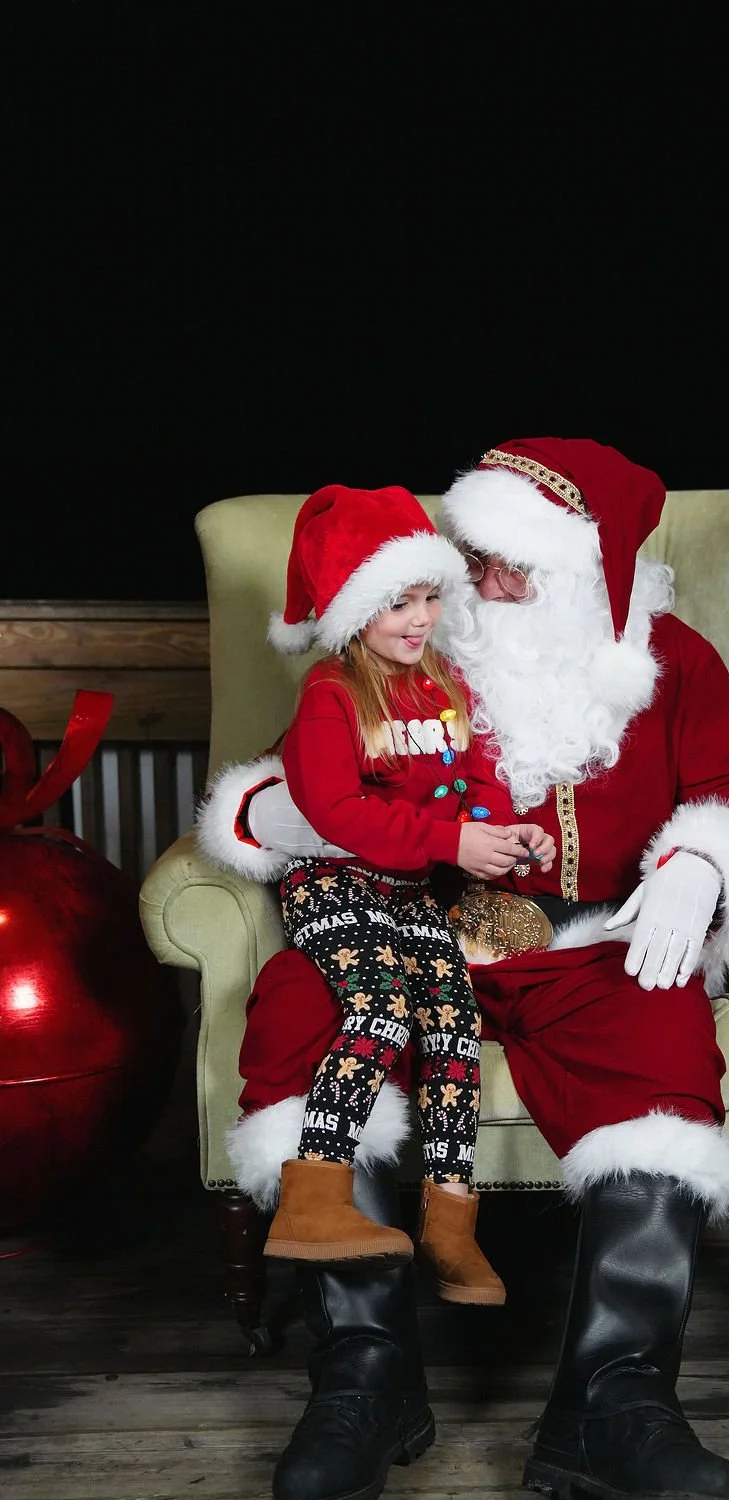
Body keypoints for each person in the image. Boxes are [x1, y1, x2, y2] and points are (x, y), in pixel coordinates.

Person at [201, 439, 729, 1500]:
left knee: (663, 1037)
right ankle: (364, 1380)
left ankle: (614, 1401)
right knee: (301, 1005)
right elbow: (280, 781)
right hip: (410, 922)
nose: (483, 581)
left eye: (515, 565)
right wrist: (283, 813)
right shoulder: (407, 645)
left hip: (589, 947)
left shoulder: (674, 661)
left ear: (590, 571)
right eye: (474, 553)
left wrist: (699, 863)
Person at [198, 483, 555, 1306]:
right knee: (383, 1008)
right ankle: (313, 1198)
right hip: (332, 882)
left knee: (454, 1026)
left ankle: (450, 1225)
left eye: (431, 595)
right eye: (399, 601)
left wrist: (504, 840)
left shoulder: (442, 688)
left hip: (409, 890)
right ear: (353, 606)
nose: (421, 617)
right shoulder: (330, 697)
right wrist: (448, 842)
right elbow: (338, 812)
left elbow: (471, 788)